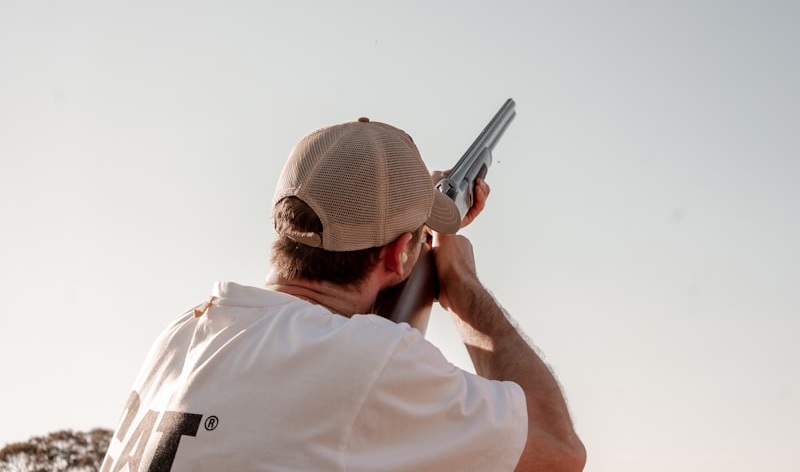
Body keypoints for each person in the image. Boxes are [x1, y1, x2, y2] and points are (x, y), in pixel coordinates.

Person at [100, 117, 586, 472]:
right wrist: (462, 287)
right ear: (398, 257)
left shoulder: (184, 333)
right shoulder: (367, 361)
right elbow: (558, 451)